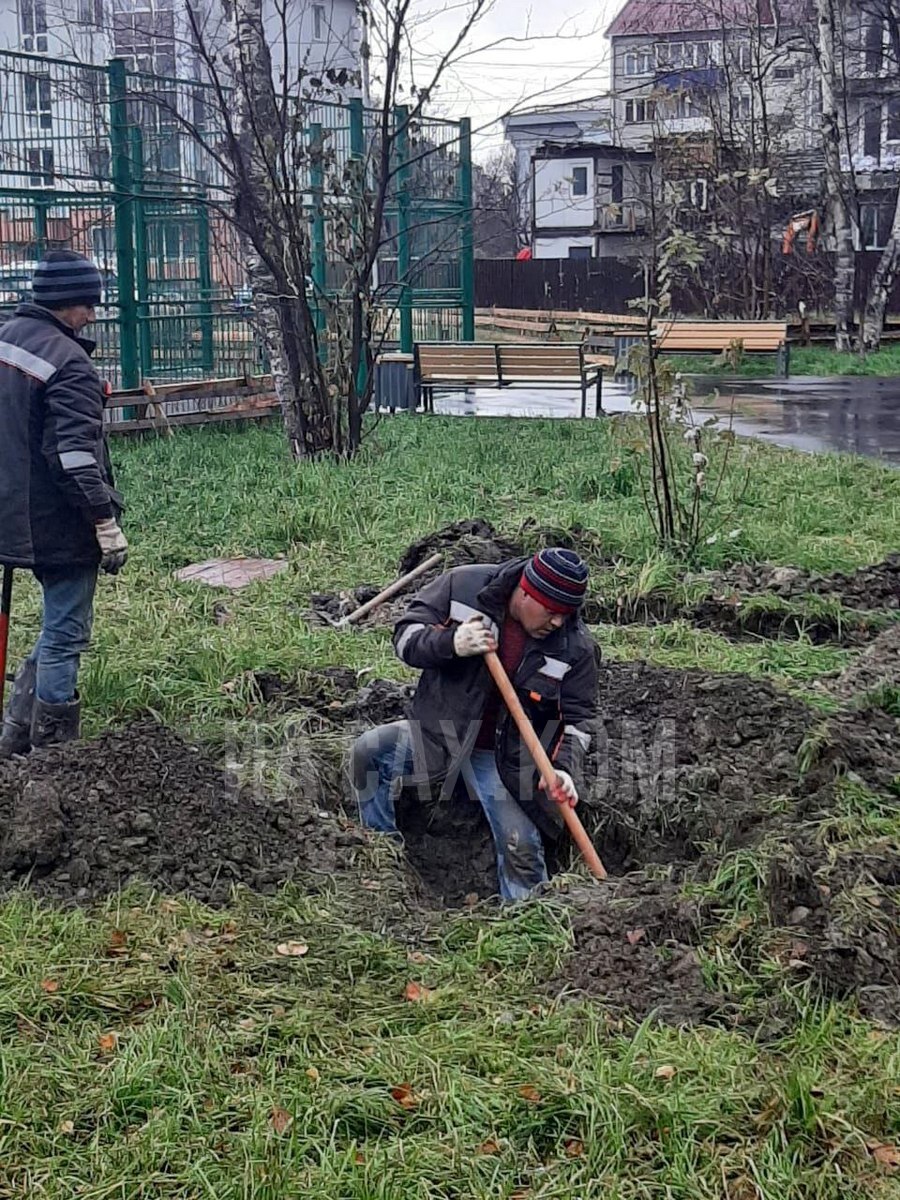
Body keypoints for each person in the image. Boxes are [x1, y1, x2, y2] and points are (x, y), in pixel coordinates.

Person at [351, 548, 599, 901]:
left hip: (504, 759)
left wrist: (563, 770)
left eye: (567, 614)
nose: (558, 622)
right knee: (369, 751)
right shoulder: (464, 586)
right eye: (552, 611)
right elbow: (405, 637)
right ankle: (381, 860)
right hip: (439, 733)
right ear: (526, 591)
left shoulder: (574, 648)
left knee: (522, 846)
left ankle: (525, 924)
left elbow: (579, 721)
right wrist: (450, 643)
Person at [0, 250, 127, 756]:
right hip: (54, 521)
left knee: (54, 629)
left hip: (9, 510)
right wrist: (103, 519)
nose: (93, 314)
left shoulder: (8, 337)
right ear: (64, 301)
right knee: (65, 631)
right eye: (87, 304)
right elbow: (74, 458)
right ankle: (56, 753)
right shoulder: (69, 361)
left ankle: (14, 736)